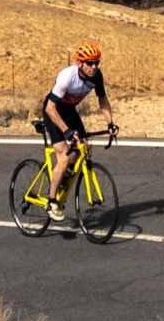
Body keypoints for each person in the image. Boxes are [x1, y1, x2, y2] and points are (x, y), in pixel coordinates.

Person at [41, 39, 118, 221]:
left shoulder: (97, 76)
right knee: (64, 156)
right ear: (80, 63)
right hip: (53, 112)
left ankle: (63, 176)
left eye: (97, 62)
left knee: (84, 146)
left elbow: (103, 100)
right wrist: (66, 131)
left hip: (69, 111)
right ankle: (51, 201)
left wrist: (110, 123)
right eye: (90, 63)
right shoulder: (67, 76)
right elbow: (50, 108)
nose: (94, 67)